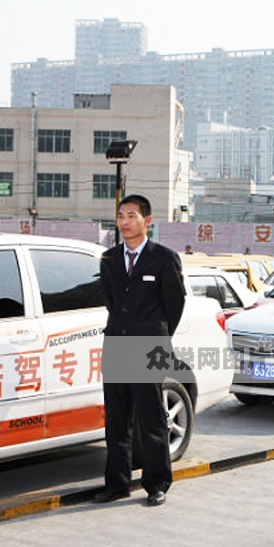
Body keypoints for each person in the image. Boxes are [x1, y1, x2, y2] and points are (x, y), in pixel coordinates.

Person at [95, 194, 186, 507]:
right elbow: (111, 301)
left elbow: (175, 304)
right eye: (121, 215)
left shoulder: (164, 258)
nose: (124, 221)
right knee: (117, 420)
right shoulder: (108, 259)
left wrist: (158, 336)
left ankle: (157, 483)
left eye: (131, 215)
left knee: (152, 418)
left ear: (147, 221)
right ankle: (117, 484)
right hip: (117, 344)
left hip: (149, 348)